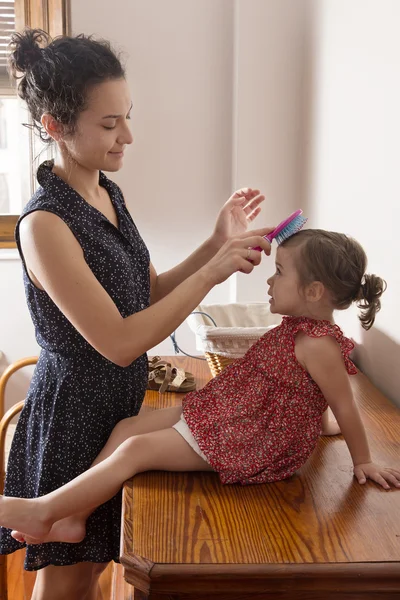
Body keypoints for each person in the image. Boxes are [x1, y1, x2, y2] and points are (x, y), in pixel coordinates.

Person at [1, 28, 272, 600]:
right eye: (108, 124)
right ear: (55, 125)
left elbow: (145, 299)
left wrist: (214, 244)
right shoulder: (45, 224)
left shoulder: (106, 194)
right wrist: (214, 271)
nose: (127, 135)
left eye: (127, 116)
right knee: (66, 584)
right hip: (74, 415)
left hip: (116, 404)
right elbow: (120, 342)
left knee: (95, 572)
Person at [1, 228, 399, 550]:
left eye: (279, 272)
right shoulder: (301, 331)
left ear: (313, 292)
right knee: (126, 428)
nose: (270, 279)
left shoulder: (319, 344)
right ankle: (74, 516)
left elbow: (344, 404)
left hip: (254, 439)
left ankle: (44, 511)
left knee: (135, 450)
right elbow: (314, 398)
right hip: (235, 411)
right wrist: (317, 425)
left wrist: (362, 461)